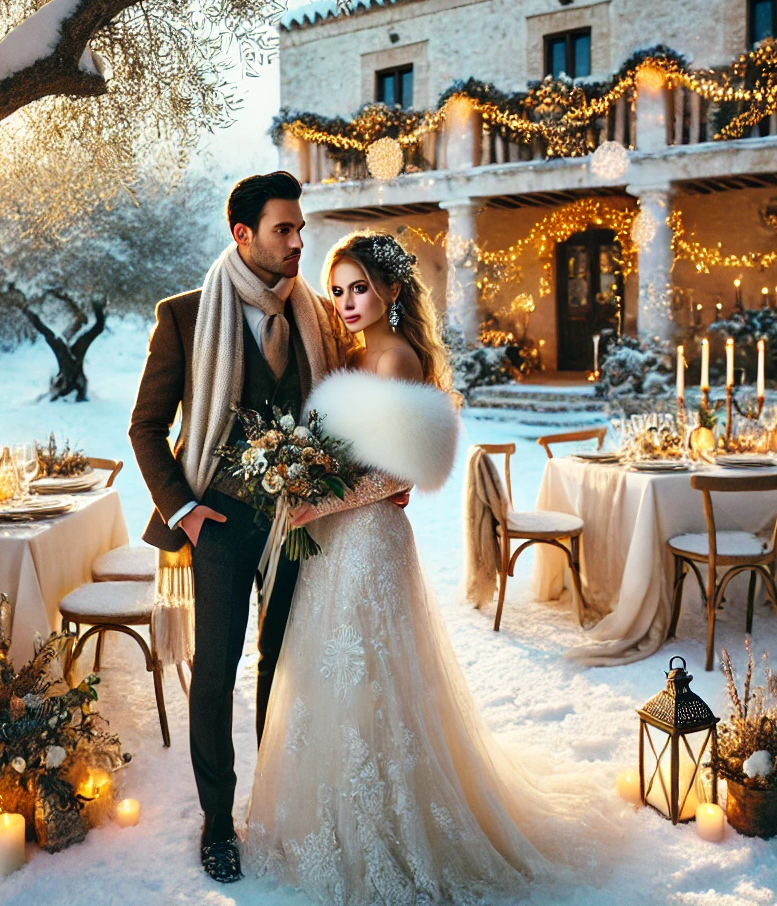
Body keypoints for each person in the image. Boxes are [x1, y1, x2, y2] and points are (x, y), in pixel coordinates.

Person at [244, 231, 590, 904]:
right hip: (342, 536)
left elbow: (394, 475)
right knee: (336, 677)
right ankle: (333, 816)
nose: (347, 301)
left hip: (367, 538)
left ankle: (387, 827)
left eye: (360, 288)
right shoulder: (358, 351)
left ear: (392, 290)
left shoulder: (393, 358)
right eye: (338, 289)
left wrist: (317, 503)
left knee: (371, 677)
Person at [128, 174, 404, 883]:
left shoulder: (318, 314)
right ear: (242, 234)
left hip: (301, 522)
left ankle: (281, 810)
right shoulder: (185, 316)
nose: (298, 242)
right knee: (215, 674)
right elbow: (146, 427)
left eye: (300, 228)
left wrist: (378, 482)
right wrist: (182, 510)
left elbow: (356, 408)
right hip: (215, 523)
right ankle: (218, 824)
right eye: (284, 229)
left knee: (288, 669)